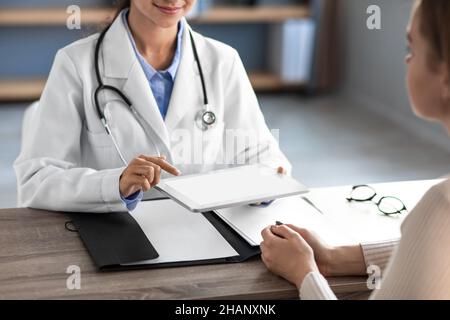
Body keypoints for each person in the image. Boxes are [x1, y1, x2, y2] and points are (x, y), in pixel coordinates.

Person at [14, 0, 290, 213]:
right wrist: (115, 184)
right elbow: (36, 181)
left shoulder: (223, 60)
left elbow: (265, 157)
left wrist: (266, 183)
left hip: (205, 234)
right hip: (114, 233)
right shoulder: (76, 63)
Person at [260, 0, 450, 300]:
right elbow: (435, 254)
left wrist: (305, 273)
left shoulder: (441, 207)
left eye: (410, 49)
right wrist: (334, 258)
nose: (406, 61)